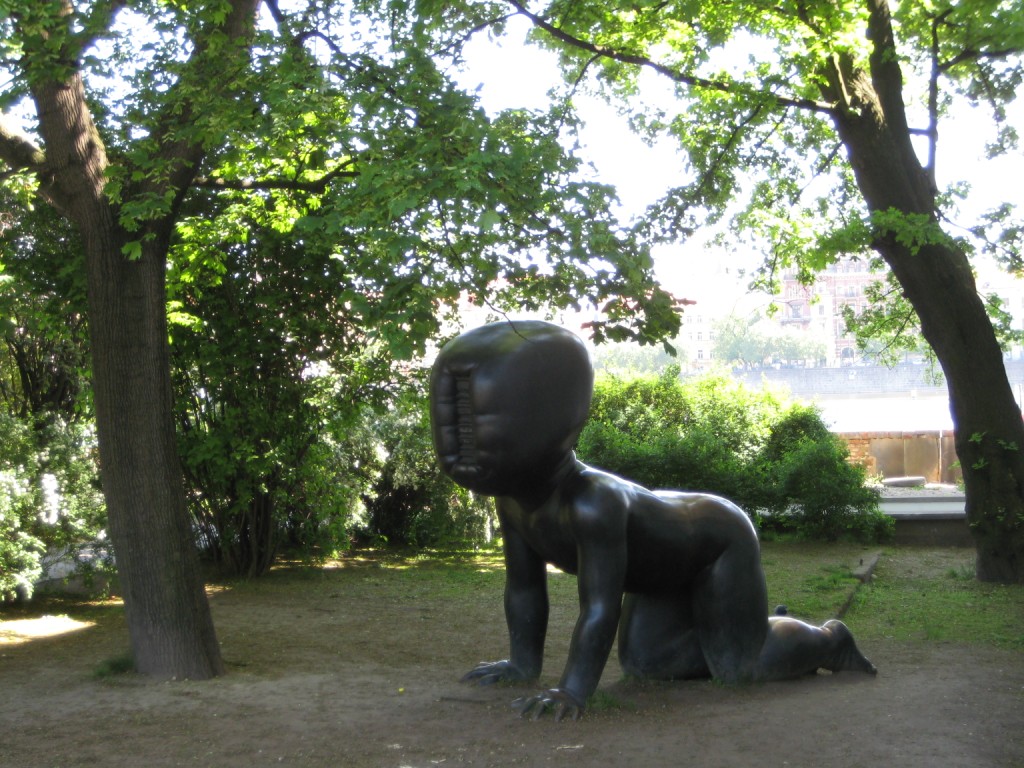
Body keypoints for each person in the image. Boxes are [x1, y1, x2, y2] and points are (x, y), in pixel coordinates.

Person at [430, 320, 876, 721]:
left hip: (715, 543)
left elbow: (600, 608)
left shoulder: (592, 503)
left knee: (742, 669)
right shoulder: (512, 502)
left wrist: (572, 691)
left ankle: (825, 639)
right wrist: (521, 666)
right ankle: (742, 628)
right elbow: (524, 588)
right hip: (658, 575)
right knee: (648, 667)